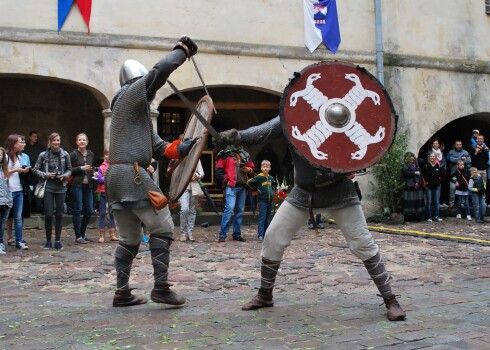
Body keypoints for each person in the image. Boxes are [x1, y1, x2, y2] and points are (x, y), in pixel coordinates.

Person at [215, 116, 406, 322]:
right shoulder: (291, 115)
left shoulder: (340, 114)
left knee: (362, 243)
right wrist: (238, 136)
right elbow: (263, 132)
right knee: (273, 237)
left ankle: (390, 299)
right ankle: (265, 294)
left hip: (339, 190)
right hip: (303, 191)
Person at [106, 35, 198, 307]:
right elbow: (161, 71)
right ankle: (160, 288)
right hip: (133, 177)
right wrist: (182, 51)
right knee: (164, 227)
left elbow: (158, 147)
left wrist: (181, 148)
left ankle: (122, 293)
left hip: (117, 179)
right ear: (137, 80)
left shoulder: (136, 113)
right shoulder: (131, 94)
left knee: (130, 238)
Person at [33, 133, 72, 250]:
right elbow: (35, 169)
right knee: (49, 214)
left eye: (58, 140)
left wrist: (64, 176)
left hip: (61, 187)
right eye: (54, 140)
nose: (56, 142)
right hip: (48, 186)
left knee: (59, 215)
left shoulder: (65, 154)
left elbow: (69, 169)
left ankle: (58, 240)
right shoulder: (43, 155)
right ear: (49, 142)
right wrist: (46, 175)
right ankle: (48, 240)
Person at [215, 145, 255, 242]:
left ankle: (237, 234)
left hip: (242, 187)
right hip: (231, 187)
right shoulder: (225, 155)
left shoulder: (245, 155)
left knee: (240, 211)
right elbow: (218, 169)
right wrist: (226, 179)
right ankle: (222, 234)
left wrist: (249, 170)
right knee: (229, 209)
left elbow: (252, 168)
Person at [4, 134, 30, 250]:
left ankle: (19, 241)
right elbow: (4, 173)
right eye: (20, 142)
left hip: (19, 190)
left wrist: (24, 171)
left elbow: (18, 173)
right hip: (8, 191)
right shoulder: (5, 156)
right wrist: (16, 170)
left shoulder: (20, 157)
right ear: (14, 144)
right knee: (4, 218)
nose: (22, 144)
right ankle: (2, 241)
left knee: (18, 217)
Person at [70, 133, 96, 244]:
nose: (82, 141)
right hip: (77, 185)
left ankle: (82, 233)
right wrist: (81, 168)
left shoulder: (90, 154)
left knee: (89, 210)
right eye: (79, 140)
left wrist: (94, 173)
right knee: (78, 209)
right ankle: (78, 235)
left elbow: (92, 167)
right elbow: (68, 170)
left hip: (88, 185)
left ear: (87, 142)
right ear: (76, 142)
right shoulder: (73, 154)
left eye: (83, 140)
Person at [247, 160, 276, 241]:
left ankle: (266, 234)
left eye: (267, 167)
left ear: (270, 168)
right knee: (262, 218)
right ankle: (260, 235)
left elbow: (273, 184)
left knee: (267, 218)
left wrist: (272, 192)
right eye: (264, 167)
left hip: (270, 201)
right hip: (263, 201)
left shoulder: (271, 178)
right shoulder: (259, 177)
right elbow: (249, 182)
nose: (265, 168)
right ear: (261, 168)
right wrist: (256, 189)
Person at [95, 149, 118, 243]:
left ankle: (112, 234)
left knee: (113, 213)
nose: (108, 156)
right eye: (106, 155)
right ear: (104, 156)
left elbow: (116, 178)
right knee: (102, 213)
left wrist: (105, 178)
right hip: (102, 192)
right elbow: (99, 179)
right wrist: (105, 178)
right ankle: (101, 235)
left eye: (110, 155)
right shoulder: (101, 167)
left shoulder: (115, 167)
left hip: (112, 192)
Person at [178, 160, 204, 242]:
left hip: (194, 187)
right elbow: (175, 173)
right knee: (184, 209)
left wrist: (196, 175)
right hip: (183, 187)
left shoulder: (197, 159)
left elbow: (202, 173)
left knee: (192, 210)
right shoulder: (180, 158)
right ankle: (183, 232)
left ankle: (189, 232)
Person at [24, 131, 46, 214]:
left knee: (38, 190)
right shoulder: (25, 147)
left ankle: (38, 209)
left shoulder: (41, 147)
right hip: (28, 172)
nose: (35, 138)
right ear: (30, 137)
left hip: (38, 172)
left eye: (36, 136)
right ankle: (29, 209)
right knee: (29, 191)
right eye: (34, 136)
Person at [446, 140, 471, 208]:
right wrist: (461, 158)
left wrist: (457, 159)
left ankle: (462, 203)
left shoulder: (465, 152)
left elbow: (469, 160)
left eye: (460, 144)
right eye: (457, 144)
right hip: (453, 174)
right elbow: (451, 159)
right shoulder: (451, 152)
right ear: (455, 145)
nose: (459, 146)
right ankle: (451, 203)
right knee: (452, 188)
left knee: (463, 188)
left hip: (463, 174)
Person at [401, 152, 425, 221]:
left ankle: (417, 216)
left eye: (413, 157)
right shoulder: (405, 165)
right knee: (410, 203)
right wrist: (414, 173)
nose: (412, 159)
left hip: (417, 186)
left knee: (417, 202)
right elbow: (405, 173)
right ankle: (409, 217)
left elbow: (422, 162)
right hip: (409, 186)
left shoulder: (416, 164)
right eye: (410, 158)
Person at [423, 152, 443, 222]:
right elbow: (424, 175)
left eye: (433, 156)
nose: (432, 157)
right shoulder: (426, 166)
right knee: (429, 202)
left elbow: (441, 175)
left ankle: (437, 216)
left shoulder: (438, 166)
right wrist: (426, 182)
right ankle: (429, 217)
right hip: (429, 187)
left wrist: (439, 182)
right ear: (429, 157)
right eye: (431, 156)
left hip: (437, 186)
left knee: (437, 202)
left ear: (436, 157)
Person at [0, 147, 12, 254]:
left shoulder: (5, 170)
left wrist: (9, 201)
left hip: (5, 202)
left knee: (2, 224)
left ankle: (0, 243)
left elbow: (8, 187)